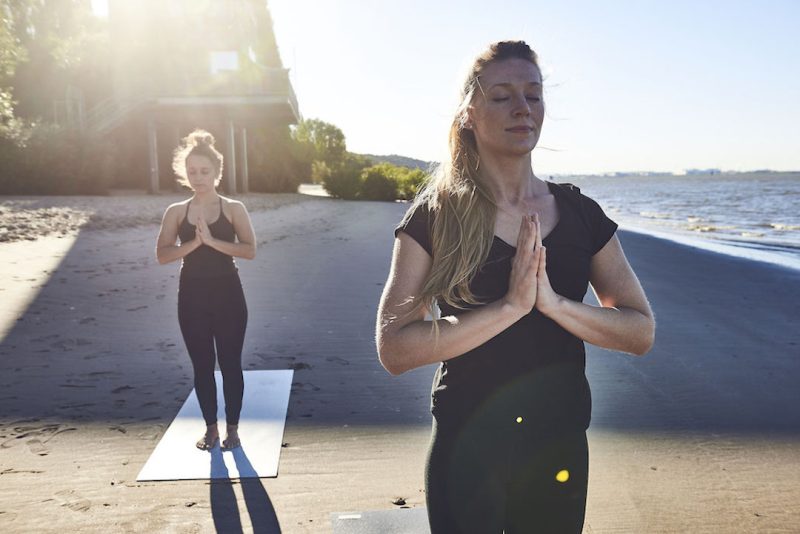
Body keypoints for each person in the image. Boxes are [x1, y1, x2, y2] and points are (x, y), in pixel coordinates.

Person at [376, 41, 655, 533]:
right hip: (467, 448)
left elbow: (639, 331)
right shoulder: (436, 216)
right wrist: (508, 308)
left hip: (558, 446)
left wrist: (554, 305)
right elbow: (395, 346)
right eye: (502, 96)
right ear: (469, 114)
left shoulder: (579, 214)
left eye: (534, 95)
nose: (523, 108)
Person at [156, 129, 256, 451]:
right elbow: (162, 255)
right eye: (192, 172)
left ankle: (234, 430)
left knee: (230, 363)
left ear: (217, 172)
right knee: (202, 365)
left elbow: (250, 249)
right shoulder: (176, 212)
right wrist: (194, 244)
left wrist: (212, 241)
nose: (198, 178)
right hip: (192, 296)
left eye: (204, 171)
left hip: (228, 294)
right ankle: (211, 429)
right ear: (185, 174)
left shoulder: (233, 208)